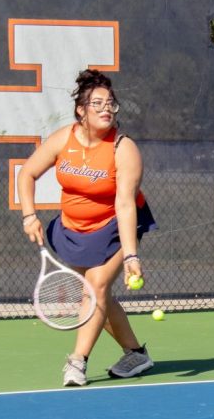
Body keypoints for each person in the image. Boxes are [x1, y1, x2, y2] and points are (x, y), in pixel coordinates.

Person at [18, 68, 157, 386]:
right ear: (81, 110)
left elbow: (124, 205)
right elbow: (27, 174)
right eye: (98, 103)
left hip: (115, 226)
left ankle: (77, 362)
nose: (107, 108)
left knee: (94, 289)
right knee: (99, 299)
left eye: (111, 103)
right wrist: (29, 216)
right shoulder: (63, 139)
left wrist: (131, 257)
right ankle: (135, 353)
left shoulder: (124, 149)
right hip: (72, 229)